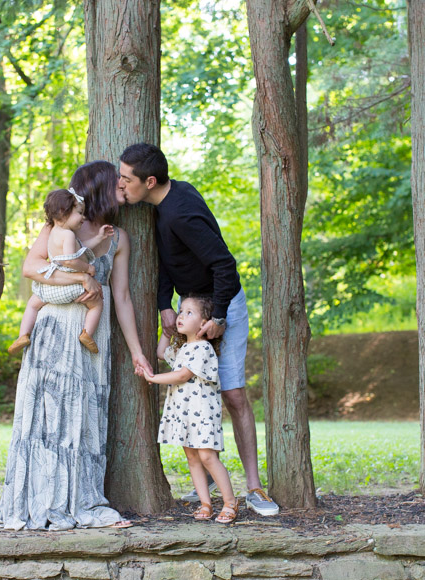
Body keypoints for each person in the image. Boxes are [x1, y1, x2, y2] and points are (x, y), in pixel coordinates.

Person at [118, 142, 280, 516]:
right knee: (187, 387)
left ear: (151, 181)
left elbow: (225, 265)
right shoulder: (161, 206)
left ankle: (254, 487)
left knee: (234, 394)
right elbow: (165, 262)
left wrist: (219, 317)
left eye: (127, 179)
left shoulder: (182, 212)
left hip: (223, 305)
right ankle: (206, 483)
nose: (121, 184)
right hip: (191, 306)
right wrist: (165, 306)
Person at [0, 160, 153, 531]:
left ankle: (80, 499)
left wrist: (137, 352)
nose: (123, 191)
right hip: (53, 328)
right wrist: (81, 277)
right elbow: (30, 267)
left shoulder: (118, 238)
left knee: (82, 420)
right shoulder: (57, 226)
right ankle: (38, 499)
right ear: (98, 189)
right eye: (117, 185)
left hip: (90, 336)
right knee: (46, 417)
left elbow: (123, 298)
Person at [142, 295, 240, 524]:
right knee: (192, 457)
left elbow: (182, 375)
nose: (181, 316)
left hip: (202, 413)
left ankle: (229, 502)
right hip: (184, 413)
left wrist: (153, 378)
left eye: (189, 312)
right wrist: (167, 331)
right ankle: (205, 503)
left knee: (207, 455)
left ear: (205, 322)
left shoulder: (203, 348)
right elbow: (160, 353)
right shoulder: (183, 348)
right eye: (180, 311)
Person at [8, 188, 114, 355]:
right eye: (80, 212)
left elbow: (81, 250)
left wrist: (99, 238)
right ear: (63, 213)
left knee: (33, 304)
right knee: (97, 304)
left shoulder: (53, 233)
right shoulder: (69, 235)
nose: (83, 217)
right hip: (71, 287)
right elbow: (70, 260)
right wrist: (87, 268)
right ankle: (87, 334)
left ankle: (23, 335)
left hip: (49, 288)